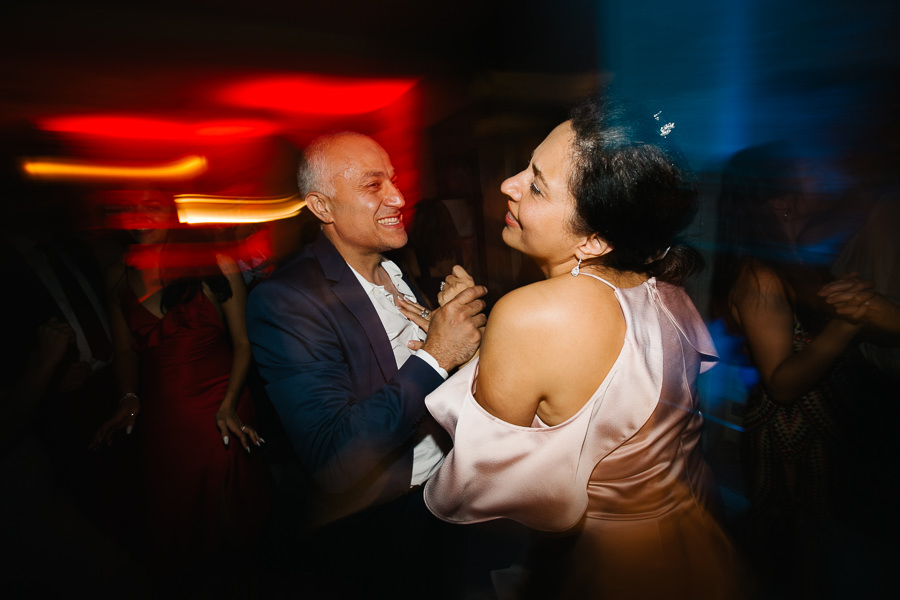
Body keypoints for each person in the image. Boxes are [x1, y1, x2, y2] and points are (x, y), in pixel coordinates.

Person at [403, 97, 748, 600]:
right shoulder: (666, 291)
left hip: (611, 568)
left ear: (594, 239)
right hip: (688, 538)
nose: (508, 184)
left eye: (536, 184)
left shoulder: (534, 313)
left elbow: (477, 494)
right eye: (526, 166)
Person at [245, 131, 487, 599]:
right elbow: (335, 460)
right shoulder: (285, 300)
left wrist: (461, 337)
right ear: (322, 207)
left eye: (394, 181)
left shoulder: (393, 270)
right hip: (386, 523)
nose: (398, 197)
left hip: (450, 495)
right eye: (373, 185)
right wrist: (438, 353)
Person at [708, 142, 886, 598]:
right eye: (804, 176)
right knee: (799, 560)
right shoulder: (761, 277)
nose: (818, 181)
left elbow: (853, 207)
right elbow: (783, 383)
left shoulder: (797, 259)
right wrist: (847, 325)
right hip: (792, 441)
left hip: (820, 435)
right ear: (781, 201)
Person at [91, 218, 273, 597]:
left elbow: (243, 343)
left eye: (150, 205)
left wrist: (228, 404)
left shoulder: (214, 261)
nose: (140, 216)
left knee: (233, 521)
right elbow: (124, 351)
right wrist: (127, 397)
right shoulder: (117, 276)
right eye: (131, 207)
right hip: (165, 418)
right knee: (180, 526)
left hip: (223, 404)